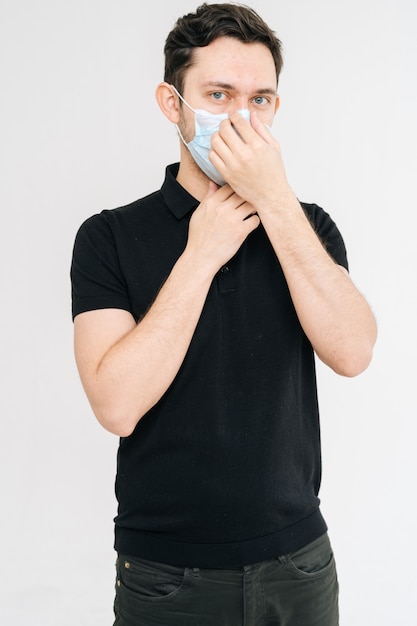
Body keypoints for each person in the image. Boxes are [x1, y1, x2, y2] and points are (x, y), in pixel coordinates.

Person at [71, 3, 377, 625]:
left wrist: (275, 202)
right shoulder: (107, 237)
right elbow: (116, 405)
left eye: (260, 99)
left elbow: (354, 352)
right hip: (165, 576)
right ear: (171, 103)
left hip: (300, 564)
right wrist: (200, 255)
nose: (242, 116)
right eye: (219, 93)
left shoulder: (308, 227)